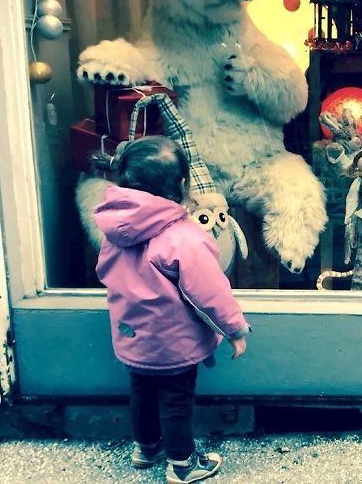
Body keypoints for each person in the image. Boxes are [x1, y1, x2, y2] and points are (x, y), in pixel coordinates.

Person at [93, 136, 250, 484]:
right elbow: (210, 292)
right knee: (175, 400)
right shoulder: (183, 237)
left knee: (142, 392)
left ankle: (146, 448)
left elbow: (104, 271)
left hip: (131, 335)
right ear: (181, 184)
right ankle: (182, 465)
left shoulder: (113, 230)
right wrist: (235, 329)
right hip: (173, 343)